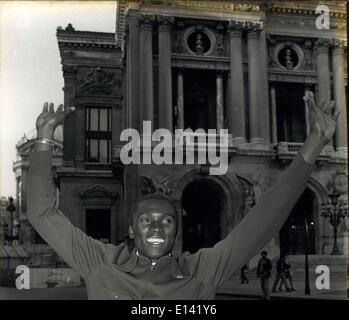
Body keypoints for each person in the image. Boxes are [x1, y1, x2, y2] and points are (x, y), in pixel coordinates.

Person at [26, 92, 339, 299]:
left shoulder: (202, 269)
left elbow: (263, 221)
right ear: (132, 229)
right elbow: (42, 214)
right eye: (147, 220)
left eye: (167, 221)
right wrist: (43, 142)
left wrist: (313, 144)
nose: (158, 229)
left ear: (177, 229)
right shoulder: (99, 260)